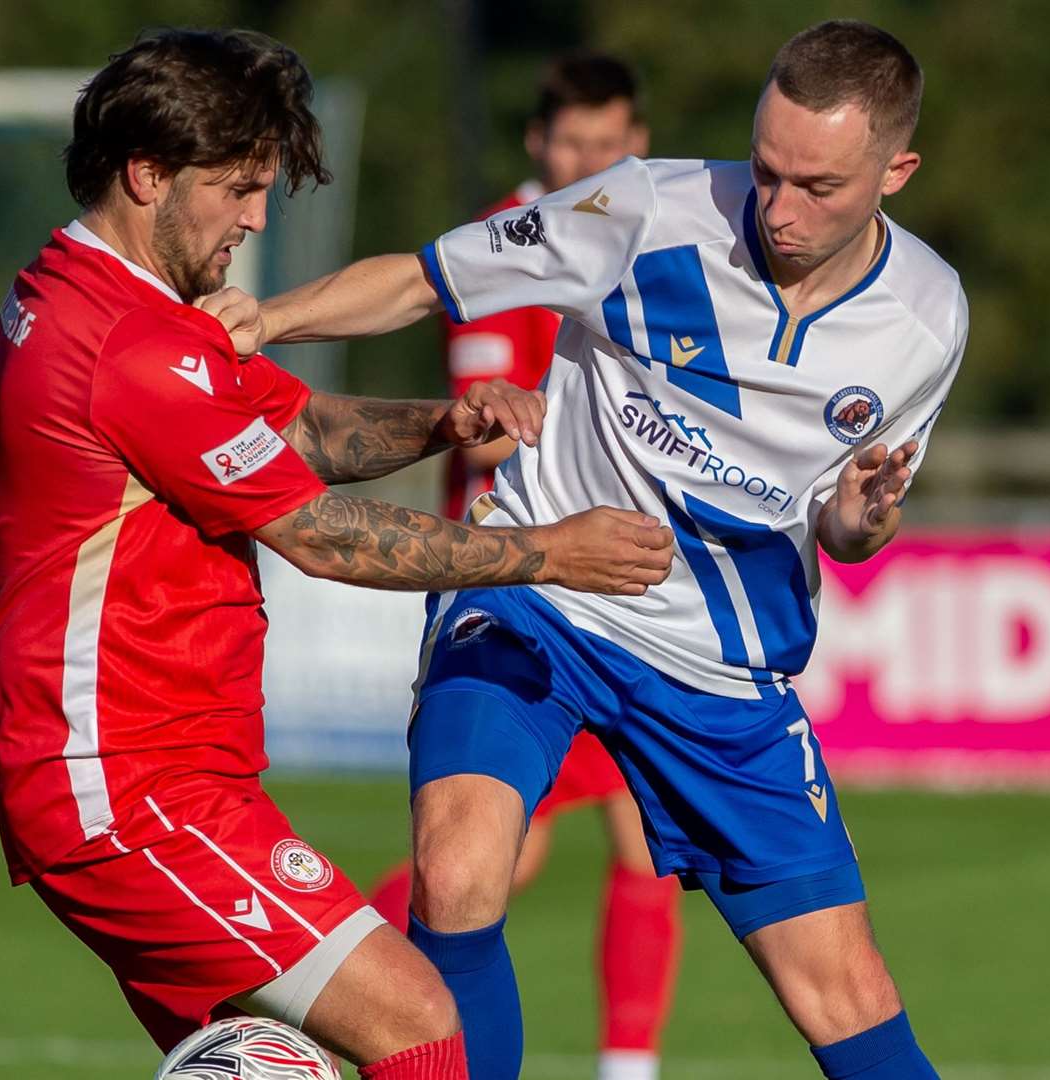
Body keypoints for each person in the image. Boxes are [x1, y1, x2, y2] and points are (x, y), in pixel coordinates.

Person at [209, 18, 962, 1079]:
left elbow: (844, 529)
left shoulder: (925, 319)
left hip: (719, 666)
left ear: (897, 169)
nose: (777, 210)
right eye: (766, 170)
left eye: (817, 187)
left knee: (844, 995)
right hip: (539, 592)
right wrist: (256, 321)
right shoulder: (644, 209)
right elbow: (424, 280)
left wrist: (865, 515)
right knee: (460, 871)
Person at [0, 28, 674, 1080]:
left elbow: (294, 428)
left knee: (294, 1054)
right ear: (146, 173)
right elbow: (324, 537)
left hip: (154, 781)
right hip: (132, 796)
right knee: (421, 1027)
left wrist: (440, 423)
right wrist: (550, 553)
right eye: (238, 188)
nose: (256, 218)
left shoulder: (93, 300)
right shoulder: (134, 347)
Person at [366, 53, 681, 1080]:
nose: (591, 161)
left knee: (645, 836)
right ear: (538, 147)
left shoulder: (656, 236)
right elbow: (483, 436)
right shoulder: (506, 251)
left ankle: (626, 1067)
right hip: (522, 582)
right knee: (480, 862)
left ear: (635, 143)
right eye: (572, 145)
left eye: (609, 144)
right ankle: (315, 971)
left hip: (627, 589)